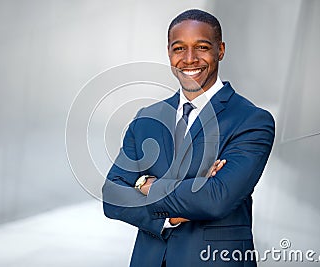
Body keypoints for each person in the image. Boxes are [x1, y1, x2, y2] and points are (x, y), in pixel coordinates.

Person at [102, 9, 275, 267]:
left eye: (202, 47)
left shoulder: (251, 120)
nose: (190, 58)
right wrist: (172, 215)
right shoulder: (146, 119)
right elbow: (112, 196)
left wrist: (145, 186)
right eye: (179, 48)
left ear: (221, 50)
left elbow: (217, 199)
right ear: (169, 53)